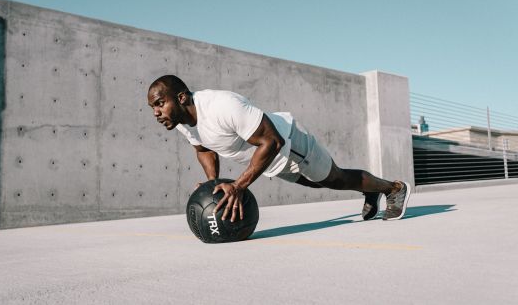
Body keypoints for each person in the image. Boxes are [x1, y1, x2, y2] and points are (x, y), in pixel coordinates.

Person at [147, 75, 411, 223]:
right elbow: (203, 148)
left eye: (160, 104)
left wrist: (238, 186)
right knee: (316, 184)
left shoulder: (221, 105)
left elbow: (272, 142)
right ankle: (368, 189)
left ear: (181, 98)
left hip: (288, 143)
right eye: (153, 108)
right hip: (269, 160)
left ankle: (393, 188)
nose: (157, 113)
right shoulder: (182, 121)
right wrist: (213, 184)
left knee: (336, 179)